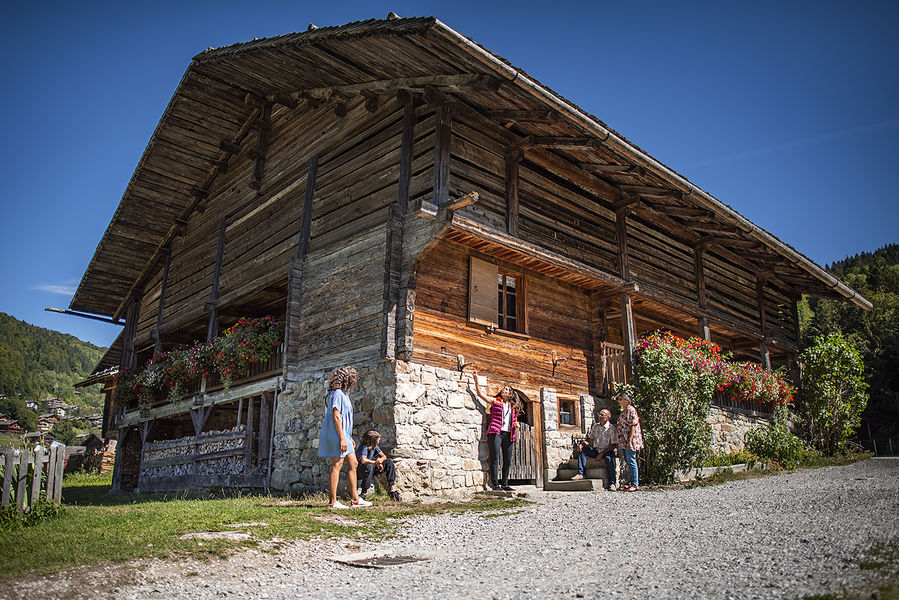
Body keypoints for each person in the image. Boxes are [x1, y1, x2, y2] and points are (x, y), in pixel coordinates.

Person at [318, 366, 371, 509]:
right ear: (348, 379)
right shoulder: (337, 394)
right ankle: (333, 502)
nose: (354, 379)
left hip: (344, 434)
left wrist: (348, 436)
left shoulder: (344, 394)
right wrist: (342, 438)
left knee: (353, 463)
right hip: (337, 433)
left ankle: (355, 499)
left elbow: (345, 418)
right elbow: (336, 416)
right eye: (352, 377)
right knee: (337, 464)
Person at [471, 369, 522, 491]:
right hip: (496, 432)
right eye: (504, 389)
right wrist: (476, 380)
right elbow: (480, 394)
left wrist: (516, 423)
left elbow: (512, 419)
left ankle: (505, 483)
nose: (504, 390)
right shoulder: (495, 401)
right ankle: (495, 484)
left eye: (507, 389)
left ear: (510, 394)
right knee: (495, 458)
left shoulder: (512, 406)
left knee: (508, 460)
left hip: (509, 434)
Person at [573, 408, 618, 490]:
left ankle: (612, 483)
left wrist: (602, 454)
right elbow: (589, 439)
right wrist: (582, 445)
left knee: (608, 459)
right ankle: (581, 473)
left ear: (607, 417)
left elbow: (614, 445)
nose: (599, 416)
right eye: (599, 415)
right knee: (582, 450)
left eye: (602, 415)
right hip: (597, 450)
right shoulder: (595, 426)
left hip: (607, 451)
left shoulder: (611, 429)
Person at [356, 429, 400, 501]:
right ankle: (363, 493)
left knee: (389, 462)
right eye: (378, 438)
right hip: (361, 470)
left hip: (371, 468)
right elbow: (363, 460)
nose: (379, 440)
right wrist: (375, 462)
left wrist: (380, 460)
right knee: (369, 466)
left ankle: (392, 489)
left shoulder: (375, 447)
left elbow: (384, 456)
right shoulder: (364, 447)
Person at [615, 391, 644, 492]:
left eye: (621, 399)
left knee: (631, 461)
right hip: (623, 439)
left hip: (629, 439)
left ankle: (635, 484)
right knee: (628, 460)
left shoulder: (631, 410)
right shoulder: (624, 411)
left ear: (627, 400)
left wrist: (629, 440)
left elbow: (633, 425)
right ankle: (632, 482)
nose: (619, 401)